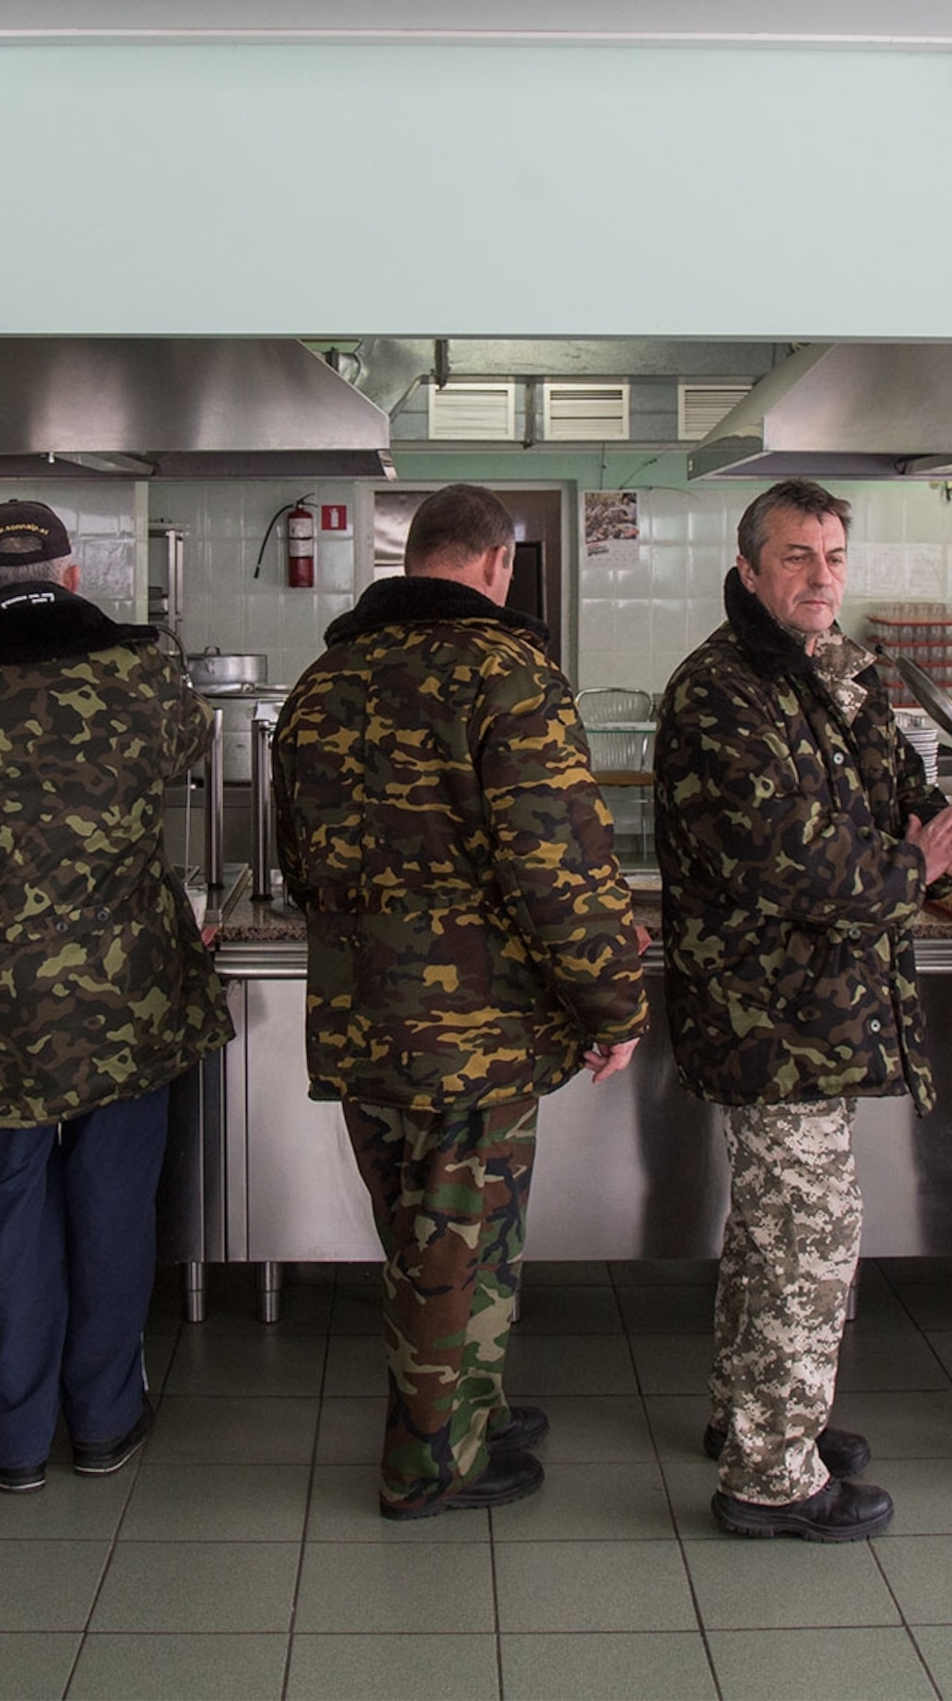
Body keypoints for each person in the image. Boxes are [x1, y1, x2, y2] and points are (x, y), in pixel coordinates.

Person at [272, 482, 649, 1521]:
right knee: (459, 1246)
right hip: (471, 1034)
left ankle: (466, 1409)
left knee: (425, 1237)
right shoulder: (508, 672)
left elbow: (298, 861)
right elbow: (557, 866)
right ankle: (429, 1467)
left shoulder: (323, 678)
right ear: (498, 563)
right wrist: (613, 1000)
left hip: (360, 1011)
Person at [655, 478, 952, 1541]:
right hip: (772, 1015)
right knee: (808, 1237)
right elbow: (790, 864)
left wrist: (942, 832)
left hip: (826, 1010)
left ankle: (753, 1415)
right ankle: (771, 1475)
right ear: (751, 567)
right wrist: (915, 860)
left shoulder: (835, 669)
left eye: (836, 554)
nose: (821, 575)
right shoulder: (720, 689)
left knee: (774, 1233)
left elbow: (892, 783)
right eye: (798, 556)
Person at [0, 500, 229, 1492]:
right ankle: (105, 1419)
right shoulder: (139, 675)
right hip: (129, 995)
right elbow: (194, 747)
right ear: (73, 579)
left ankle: (10, 1437)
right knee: (113, 1204)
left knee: (7, 1210)